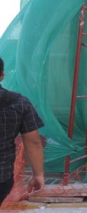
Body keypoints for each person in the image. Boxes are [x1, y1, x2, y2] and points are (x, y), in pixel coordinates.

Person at [0, 56, 45, 204]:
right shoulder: (19, 103)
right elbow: (33, 142)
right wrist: (38, 174)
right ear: (2, 75)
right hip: (2, 178)